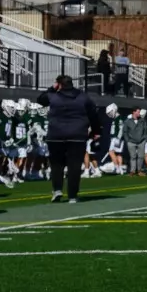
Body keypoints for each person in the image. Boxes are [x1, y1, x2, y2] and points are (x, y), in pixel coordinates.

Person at [42, 73, 103, 203]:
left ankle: (57, 189)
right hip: (77, 134)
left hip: (56, 134)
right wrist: (96, 131)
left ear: (59, 84)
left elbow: (40, 100)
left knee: (57, 164)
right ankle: (72, 195)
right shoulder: (83, 97)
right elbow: (93, 115)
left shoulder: (53, 96)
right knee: (74, 165)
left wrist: (52, 88)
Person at [123, 106, 147, 174]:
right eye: (138, 112)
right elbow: (125, 131)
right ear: (134, 112)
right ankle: (132, 171)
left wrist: (144, 139)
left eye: (139, 112)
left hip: (141, 141)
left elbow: (145, 130)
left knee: (141, 157)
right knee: (133, 157)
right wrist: (127, 140)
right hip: (131, 142)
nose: (139, 113)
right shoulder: (127, 121)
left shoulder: (142, 120)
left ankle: (139, 171)